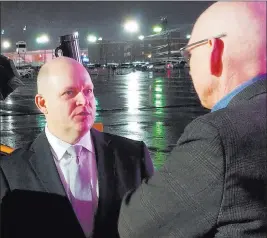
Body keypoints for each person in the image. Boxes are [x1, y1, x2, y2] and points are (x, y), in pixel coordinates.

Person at [118, 2, 266, 237]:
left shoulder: (219, 136)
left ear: (214, 51)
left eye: (189, 54)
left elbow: (136, 225)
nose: (188, 67)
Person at [0, 56, 154, 238]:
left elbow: (157, 225)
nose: (84, 100)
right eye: (69, 92)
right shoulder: (10, 171)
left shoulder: (134, 156)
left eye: (88, 91)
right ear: (42, 103)